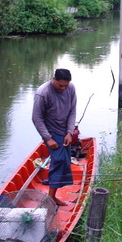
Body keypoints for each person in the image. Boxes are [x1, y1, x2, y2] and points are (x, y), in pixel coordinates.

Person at [32, 68, 77, 206]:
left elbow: (72, 111)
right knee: (58, 162)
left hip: (65, 132)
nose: (63, 88)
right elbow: (36, 118)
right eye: (60, 85)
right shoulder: (43, 93)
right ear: (53, 79)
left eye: (65, 85)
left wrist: (70, 132)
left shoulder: (70, 88)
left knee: (65, 163)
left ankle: (52, 196)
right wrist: (48, 138)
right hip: (51, 132)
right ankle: (51, 199)